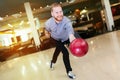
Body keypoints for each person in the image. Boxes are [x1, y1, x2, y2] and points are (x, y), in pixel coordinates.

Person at [44, 2, 76, 79]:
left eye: (60, 11)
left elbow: (70, 30)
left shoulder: (66, 20)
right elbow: (46, 30)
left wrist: (72, 38)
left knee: (58, 50)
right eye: (56, 12)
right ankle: (69, 71)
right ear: (52, 14)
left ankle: (53, 62)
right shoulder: (48, 23)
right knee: (64, 52)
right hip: (56, 39)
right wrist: (46, 34)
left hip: (66, 37)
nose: (59, 14)